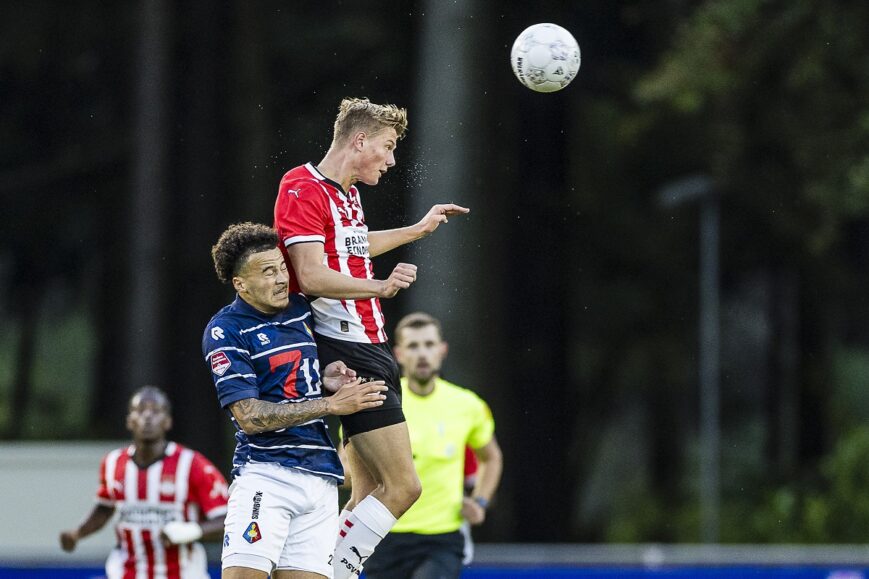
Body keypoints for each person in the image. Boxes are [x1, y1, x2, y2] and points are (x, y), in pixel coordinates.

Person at [273, 96, 470, 578]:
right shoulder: (301, 187)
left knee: (364, 497)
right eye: (387, 146)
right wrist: (379, 287)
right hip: (347, 350)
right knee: (403, 488)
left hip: (372, 346)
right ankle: (330, 573)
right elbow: (312, 274)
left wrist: (417, 230)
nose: (392, 158)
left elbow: (354, 247)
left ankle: (326, 570)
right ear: (358, 141)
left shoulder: (347, 194)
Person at [203, 222, 388, 579]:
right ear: (240, 284)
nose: (281, 279)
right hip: (267, 476)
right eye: (268, 272)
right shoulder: (225, 330)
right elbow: (249, 416)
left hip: (320, 480)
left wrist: (323, 378)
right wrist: (330, 406)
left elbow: (289, 381)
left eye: (283, 267)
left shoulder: (300, 309)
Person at [362, 312, 503, 579]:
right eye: (414, 346)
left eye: (429, 344)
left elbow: (491, 457)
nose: (422, 354)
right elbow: (347, 463)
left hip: (442, 537)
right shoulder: (381, 402)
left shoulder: (467, 405)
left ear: (442, 350)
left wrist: (480, 501)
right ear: (399, 354)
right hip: (386, 533)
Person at [59, 386, 229, 579]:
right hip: (125, 572)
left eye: (156, 411)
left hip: (182, 573)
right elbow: (105, 508)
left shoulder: (192, 464)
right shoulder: (113, 463)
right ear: (129, 421)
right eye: (140, 410)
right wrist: (77, 533)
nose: (147, 417)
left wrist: (191, 530)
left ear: (167, 421)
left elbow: (227, 519)